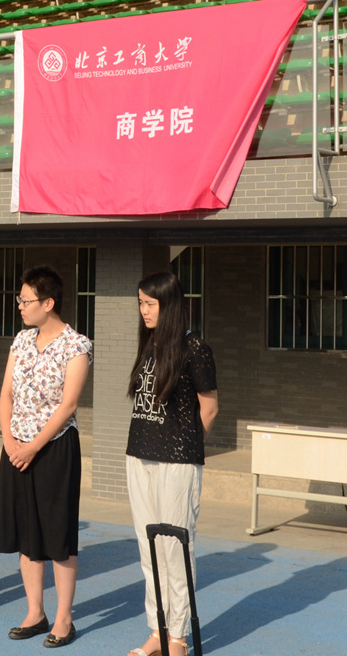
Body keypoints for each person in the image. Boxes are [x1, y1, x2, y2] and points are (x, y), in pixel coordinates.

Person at [0, 265, 91, 649]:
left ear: (48, 303)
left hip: (54, 449)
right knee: (26, 532)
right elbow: (5, 394)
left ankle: (64, 618)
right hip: (15, 447)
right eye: (19, 300)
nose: (20, 306)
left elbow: (68, 405)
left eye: (26, 300)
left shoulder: (76, 345)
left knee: (58, 534)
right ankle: (35, 612)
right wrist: (9, 440)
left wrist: (34, 446)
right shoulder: (21, 340)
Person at [126, 272, 218, 656]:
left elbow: (209, 408)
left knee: (175, 549)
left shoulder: (194, 348)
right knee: (149, 550)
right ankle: (157, 630)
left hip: (177, 460)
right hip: (139, 454)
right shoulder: (149, 344)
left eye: (150, 303)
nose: (144, 310)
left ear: (170, 304)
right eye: (141, 303)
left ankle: (177, 636)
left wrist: (186, 447)